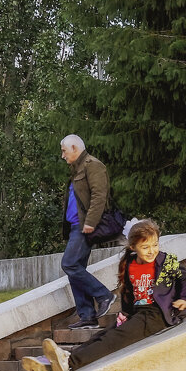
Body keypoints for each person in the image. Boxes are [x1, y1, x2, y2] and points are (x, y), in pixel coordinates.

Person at [23, 219, 186, 371]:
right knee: (103, 334)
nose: (152, 250)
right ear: (133, 247)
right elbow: (127, 292)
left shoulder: (166, 261)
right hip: (138, 313)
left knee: (113, 339)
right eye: (145, 247)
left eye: (155, 245)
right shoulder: (130, 264)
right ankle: (64, 359)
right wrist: (125, 314)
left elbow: (184, 277)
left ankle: (70, 362)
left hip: (158, 315)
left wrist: (184, 298)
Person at [59, 134, 116, 328]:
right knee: (75, 269)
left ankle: (104, 295)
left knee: (69, 264)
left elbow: (100, 196)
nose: (62, 156)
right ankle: (87, 316)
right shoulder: (77, 169)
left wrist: (91, 222)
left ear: (74, 148)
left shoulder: (93, 165)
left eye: (64, 151)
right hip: (76, 226)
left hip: (85, 227)